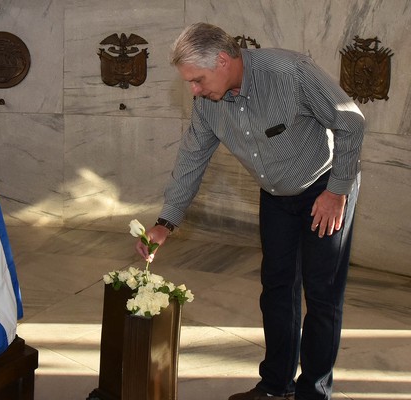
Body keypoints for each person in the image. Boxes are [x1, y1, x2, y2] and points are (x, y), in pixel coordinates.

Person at [136, 23, 364, 400]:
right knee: (276, 288)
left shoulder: (290, 73)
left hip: (325, 188)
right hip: (275, 195)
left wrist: (338, 191)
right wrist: (165, 224)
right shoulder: (209, 103)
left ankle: (313, 392)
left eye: (197, 79)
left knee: (322, 295)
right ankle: (275, 386)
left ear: (223, 60)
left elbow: (351, 121)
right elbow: (191, 158)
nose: (193, 89)